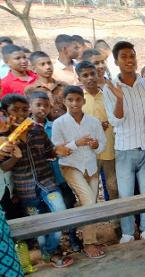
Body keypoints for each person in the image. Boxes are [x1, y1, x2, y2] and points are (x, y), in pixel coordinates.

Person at [102, 41, 145, 243]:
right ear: (116, 61)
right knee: (126, 196)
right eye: (124, 56)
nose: (129, 60)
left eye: (132, 55)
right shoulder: (110, 88)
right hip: (125, 149)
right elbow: (116, 120)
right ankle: (127, 233)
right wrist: (120, 99)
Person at [0, 93, 73, 267]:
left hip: (47, 183)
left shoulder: (37, 129)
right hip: (25, 189)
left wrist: (58, 151)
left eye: (24, 109)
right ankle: (51, 254)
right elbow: (4, 167)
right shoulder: (5, 137)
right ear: (5, 112)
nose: (20, 113)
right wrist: (16, 157)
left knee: (60, 213)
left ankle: (50, 249)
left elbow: (49, 151)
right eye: (15, 110)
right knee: (37, 224)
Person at [52, 85, 106, 259]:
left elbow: (101, 145)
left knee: (91, 203)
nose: (74, 103)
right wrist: (77, 143)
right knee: (89, 200)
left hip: (91, 166)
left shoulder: (93, 121)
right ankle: (89, 243)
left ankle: (90, 239)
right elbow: (57, 149)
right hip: (70, 166)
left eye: (78, 99)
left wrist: (96, 145)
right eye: (70, 100)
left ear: (83, 100)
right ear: (64, 101)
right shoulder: (59, 123)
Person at [30, 91, 81, 252]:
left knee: (68, 206)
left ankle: (73, 237)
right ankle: (52, 247)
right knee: (46, 213)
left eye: (46, 105)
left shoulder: (54, 126)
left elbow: (62, 148)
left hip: (59, 176)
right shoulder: (25, 130)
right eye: (38, 105)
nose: (42, 109)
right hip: (40, 180)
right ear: (30, 107)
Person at [77, 61, 117, 201]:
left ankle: (115, 216)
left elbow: (117, 117)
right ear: (79, 79)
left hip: (108, 149)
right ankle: (93, 215)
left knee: (112, 186)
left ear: (98, 74)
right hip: (88, 152)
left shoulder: (108, 95)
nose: (90, 78)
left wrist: (107, 123)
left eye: (92, 74)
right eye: (85, 75)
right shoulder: (78, 100)